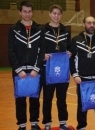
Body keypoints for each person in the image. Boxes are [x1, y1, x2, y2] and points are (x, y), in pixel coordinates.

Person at [8, 1, 45, 130]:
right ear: (20, 12)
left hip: (35, 71)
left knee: (35, 98)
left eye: (29, 11)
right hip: (20, 72)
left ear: (32, 12)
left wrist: (36, 68)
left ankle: (34, 123)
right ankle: (22, 125)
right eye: (24, 11)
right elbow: (11, 52)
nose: (27, 14)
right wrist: (18, 70)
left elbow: (42, 51)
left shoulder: (39, 29)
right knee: (20, 99)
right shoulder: (13, 30)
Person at [70, 16, 95, 130]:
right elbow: (72, 59)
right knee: (82, 103)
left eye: (93, 23)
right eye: (89, 23)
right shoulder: (76, 40)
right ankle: (81, 126)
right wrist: (75, 74)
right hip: (82, 78)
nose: (91, 25)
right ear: (83, 24)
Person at [41, 5, 71, 130]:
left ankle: (63, 122)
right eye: (54, 13)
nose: (56, 16)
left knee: (62, 98)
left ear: (61, 15)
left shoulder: (65, 30)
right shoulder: (43, 30)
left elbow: (69, 47)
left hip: (62, 71)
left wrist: (70, 53)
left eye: (58, 14)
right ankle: (47, 123)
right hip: (47, 70)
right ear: (49, 14)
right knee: (47, 98)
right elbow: (39, 48)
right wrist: (43, 56)